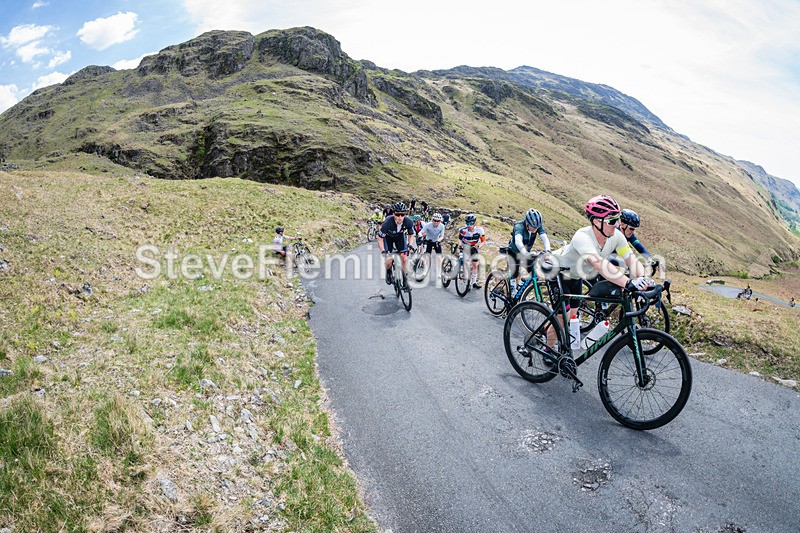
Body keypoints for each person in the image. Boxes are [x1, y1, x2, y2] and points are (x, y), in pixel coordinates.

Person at [552, 195, 649, 320]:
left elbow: (631, 259)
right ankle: (543, 336)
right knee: (562, 320)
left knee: (572, 318)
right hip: (558, 272)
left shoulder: (617, 237)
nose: (616, 225)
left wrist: (642, 278)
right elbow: (598, 263)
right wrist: (628, 282)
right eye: (612, 221)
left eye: (617, 220)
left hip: (576, 276)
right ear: (597, 221)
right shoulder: (582, 236)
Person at [507, 208, 551, 291]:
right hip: (514, 251)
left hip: (526, 252)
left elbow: (545, 238)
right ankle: (512, 292)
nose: (535, 230)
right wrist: (525, 253)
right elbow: (518, 241)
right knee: (514, 273)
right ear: (527, 223)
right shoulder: (519, 226)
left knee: (535, 269)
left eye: (537, 227)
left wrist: (548, 251)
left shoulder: (537, 226)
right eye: (533, 227)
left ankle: (522, 284)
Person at [378, 202, 417, 285]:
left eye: (402, 215)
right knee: (389, 261)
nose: (400, 217)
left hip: (399, 236)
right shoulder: (388, 222)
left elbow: (411, 234)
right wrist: (383, 251)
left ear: (405, 214)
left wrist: (410, 245)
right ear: (393, 214)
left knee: (404, 257)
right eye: (397, 214)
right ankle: (388, 271)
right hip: (388, 238)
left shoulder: (408, 221)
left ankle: (405, 278)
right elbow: (380, 238)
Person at [458, 214, 486, 288]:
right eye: (467, 223)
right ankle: (465, 277)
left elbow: (483, 241)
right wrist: (460, 245)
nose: (469, 225)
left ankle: (474, 283)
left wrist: (479, 246)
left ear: (474, 223)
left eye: (471, 223)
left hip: (474, 248)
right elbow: (460, 239)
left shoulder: (480, 230)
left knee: (475, 265)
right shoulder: (463, 230)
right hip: (465, 247)